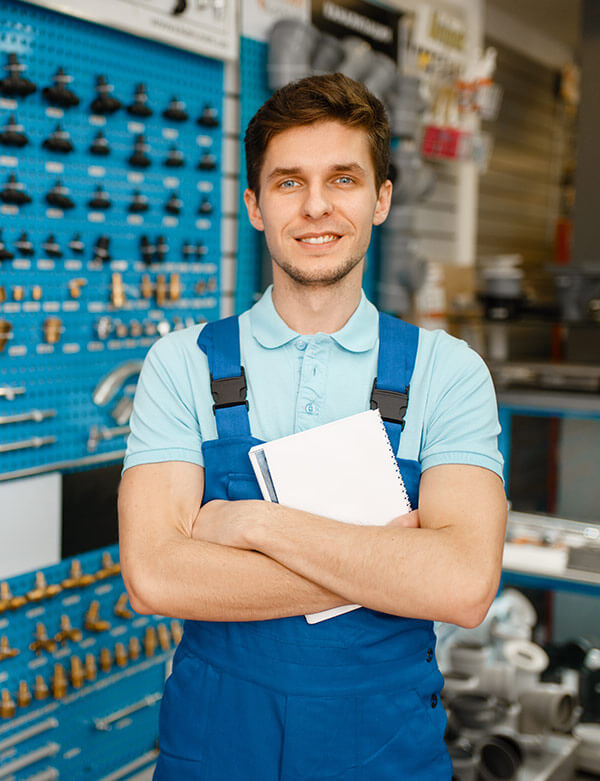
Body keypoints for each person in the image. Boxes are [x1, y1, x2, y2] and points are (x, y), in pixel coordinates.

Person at [118, 72, 507, 780]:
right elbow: (154, 576)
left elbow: (462, 586)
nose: (317, 206)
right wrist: (391, 565)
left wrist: (254, 526)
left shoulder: (448, 372)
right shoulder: (180, 364)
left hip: (384, 748)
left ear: (381, 198)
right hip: (215, 744)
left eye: (345, 179)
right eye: (289, 182)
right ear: (255, 205)